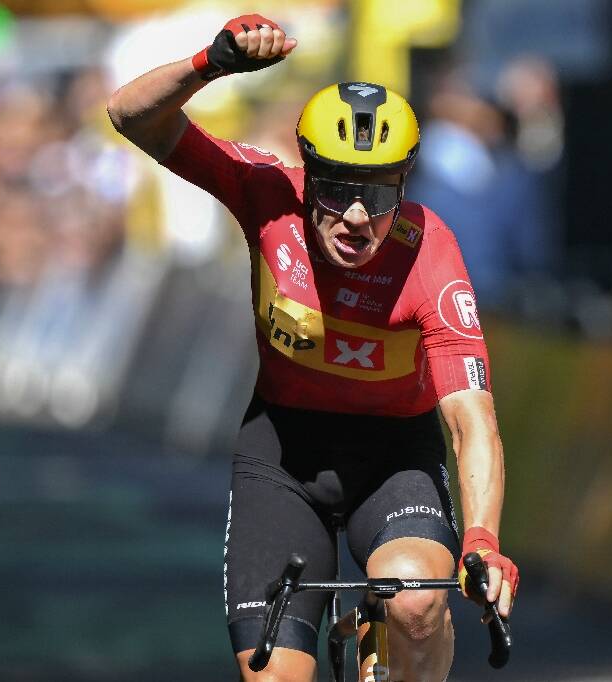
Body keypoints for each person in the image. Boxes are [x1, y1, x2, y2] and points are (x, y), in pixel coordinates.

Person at [107, 14, 518, 682]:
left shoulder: (431, 256)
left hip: (394, 458)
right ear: (308, 178)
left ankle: (385, 640)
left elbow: (472, 420)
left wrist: (482, 542)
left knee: (415, 602)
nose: (358, 216)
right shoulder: (265, 194)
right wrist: (209, 64)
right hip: (282, 458)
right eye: (338, 189)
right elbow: (129, 116)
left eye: (379, 192)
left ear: (404, 186)